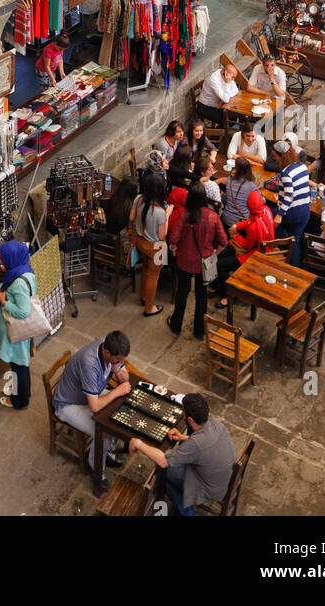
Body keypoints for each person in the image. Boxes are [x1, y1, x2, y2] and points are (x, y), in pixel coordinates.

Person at [131, 392, 235, 517]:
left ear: (190, 419)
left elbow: (163, 461)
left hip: (210, 489)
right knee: (168, 474)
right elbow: (204, 443)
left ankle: (188, 513)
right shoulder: (215, 423)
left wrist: (138, 443)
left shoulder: (195, 444)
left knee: (163, 477)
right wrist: (182, 437)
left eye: (184, 414)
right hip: (224, 476)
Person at [52, 331, 131, 486]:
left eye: (122, 360)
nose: (121, 362)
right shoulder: (90, 363)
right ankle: (96, 471)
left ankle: (106, 451)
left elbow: (125, 379)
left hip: (90, 392)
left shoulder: (109, 346)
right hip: (67, 404)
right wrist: (117, 391)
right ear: (107, 352)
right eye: (118, 359)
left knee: (122, 409)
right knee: (104, 432)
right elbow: (94, 407)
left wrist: (117, 367)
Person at [166, 183, 227, 340]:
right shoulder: (213, 217)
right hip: (204, 262)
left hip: (185, 261)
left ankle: (176, 324)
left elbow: (174, 238)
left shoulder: (184, 215)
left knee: (182, 293)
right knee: (202, 296)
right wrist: (215, 253)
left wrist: (174, 247)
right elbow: (223, 241)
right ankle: (199, 330)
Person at [0, 241, 37, 411]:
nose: (2, 262)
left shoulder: (18, 282)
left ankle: (19, 400)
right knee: (21, 363)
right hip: (21, 330)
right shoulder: (25, 271)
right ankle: (23, 391)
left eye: (4, 258)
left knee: (18, 365)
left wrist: (4, 302)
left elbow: (23, 311)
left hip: (16, 330)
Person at [215, 189, 274, 304]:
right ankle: (219, 286)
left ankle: (229, 295)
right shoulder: (266, 210)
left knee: (219, 265)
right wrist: (236, 226)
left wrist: (235, 237)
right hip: (263, 248)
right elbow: (250, 220)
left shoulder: (253, 228)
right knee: (222, 255)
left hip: (256, 255)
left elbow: (246, 246)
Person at [129, 170, 171, 316]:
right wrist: (167, 215)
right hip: (156, 248)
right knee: (154, 276)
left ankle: (143, 296)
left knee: (146, 268)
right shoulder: (160, 212)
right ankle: (149, 307)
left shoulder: (139, 199)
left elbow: (132, 218)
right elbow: (162, 235)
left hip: (141, 242)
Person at [274, 138, 312, 265]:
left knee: (269, 218)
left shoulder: (286, 173)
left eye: (275, 156)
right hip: (305, 211)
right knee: (295, 239)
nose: (274, 159)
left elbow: (289, 196)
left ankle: (282, 249)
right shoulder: (302, 166)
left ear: (281, 156)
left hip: (293, 212)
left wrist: (279, 215)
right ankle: (296, 263)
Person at [222, 156, 257, 229]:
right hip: (242, 223)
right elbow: (262, 201)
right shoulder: (251, 185)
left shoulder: (229, 180)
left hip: (226, 219)